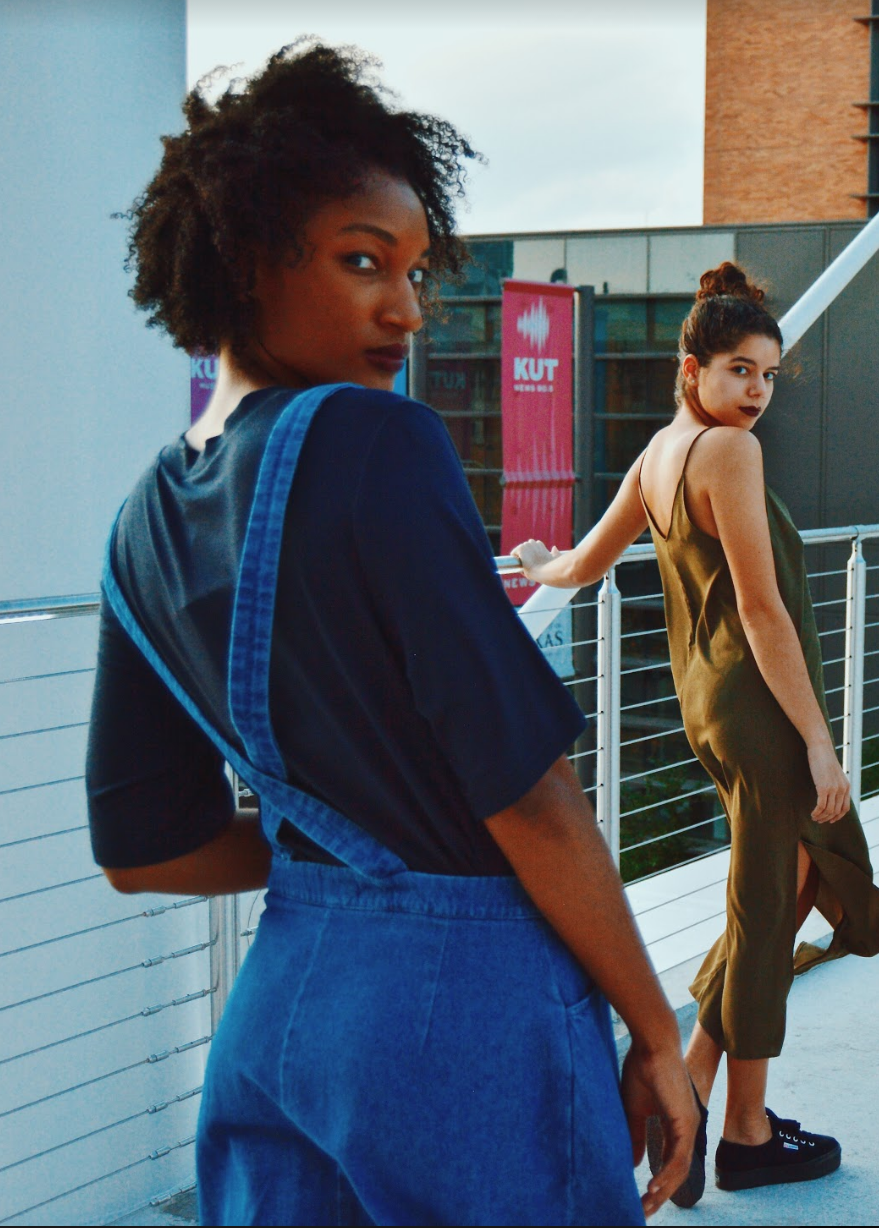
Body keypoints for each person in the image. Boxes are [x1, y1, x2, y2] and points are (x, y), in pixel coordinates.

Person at [87, 43, 697, 1224]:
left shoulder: (140, 525)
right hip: (459, 1014)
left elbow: (145, 849)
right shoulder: (376, 443)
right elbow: (526, 792)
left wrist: (342, 865)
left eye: (416, 271)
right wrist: (657, 1027)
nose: (407, 309)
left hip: (278, 1018)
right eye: (364, 262)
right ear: (246, 258)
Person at [516, 262, 879, 1203]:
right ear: (691, 368)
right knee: (773, 903)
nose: (756, 393)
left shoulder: (658, 455)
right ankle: (742, 1132)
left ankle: (690, 1083)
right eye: (738, 370)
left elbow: (582, 562)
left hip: (712, 707)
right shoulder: (728, 456)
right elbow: (765, 612)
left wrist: (537, 561)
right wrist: (818, 741)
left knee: (784, 890)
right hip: (764, 711)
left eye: (767, 375)